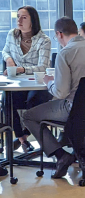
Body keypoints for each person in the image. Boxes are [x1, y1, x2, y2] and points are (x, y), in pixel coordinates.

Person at [21, 17, 85, 179]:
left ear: (59, 34)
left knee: (28, 116)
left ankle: (60, 155)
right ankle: (80, 153)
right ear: (76, 31)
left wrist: (49, 82)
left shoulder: (65, 53)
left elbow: (60, 93)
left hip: (74, 108)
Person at [2, 6, 53, 153]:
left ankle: (26, 134)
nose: (19, 20)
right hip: (18, 84)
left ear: (33, 20)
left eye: (24, 17)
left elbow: (43, 67)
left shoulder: (44, 40)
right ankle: (22, 139)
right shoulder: (12, 34)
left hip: (37, 84)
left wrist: (22, 69)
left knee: (33, 100)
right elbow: (5, 50)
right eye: (18, 16)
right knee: (7, 99)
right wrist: (9, 58)